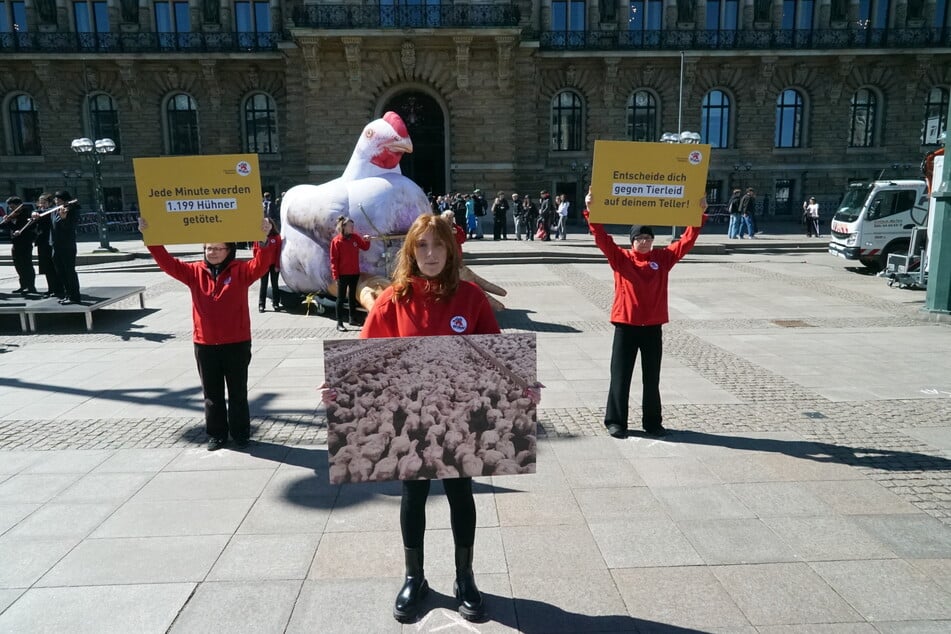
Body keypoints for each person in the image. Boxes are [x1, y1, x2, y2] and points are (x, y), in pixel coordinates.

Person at [359, 213, 499, 624]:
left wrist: (522, 384)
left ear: (451, 251)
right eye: (422, 246)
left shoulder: (471, 297)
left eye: (438, 246)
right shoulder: (394, 298)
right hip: (410, 418)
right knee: (414, 495)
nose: (431, 254)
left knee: (460, 494)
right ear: (411, 251)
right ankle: (414, 577)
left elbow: (495, 353)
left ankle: (464, 577)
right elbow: (366, 356)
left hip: (458, 416)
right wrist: (337, 387)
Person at [140, 216, 277, 451]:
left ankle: (241, 433)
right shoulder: (194, 272)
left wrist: (269, 236)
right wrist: (150, 237)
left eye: (217, 248)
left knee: (237, 392)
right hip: (205, 344)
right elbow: (167, 263)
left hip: (237, 342)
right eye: (208, 248)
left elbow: (262, 263)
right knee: (211, 394)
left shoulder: (242, 271)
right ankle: (217, 434)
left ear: (229, 250)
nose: (212, 252)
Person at [584, 190, 707, 439]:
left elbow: (686, 241)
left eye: (647, 237)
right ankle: (616, 422)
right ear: (632, 241)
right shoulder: (621, 258)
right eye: (639, 237)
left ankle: (653, 423)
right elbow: (601, 238)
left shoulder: (662, 258)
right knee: (620, 376)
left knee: (652, 379)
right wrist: (590, 211)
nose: (644, 241)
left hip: (652, 327)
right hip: (625, 326)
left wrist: (699, 215)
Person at [329, 215, 371, 331]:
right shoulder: (336, 241)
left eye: (353, 226)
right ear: (343, 227)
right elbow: (333, 260)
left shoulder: (355, 238)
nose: (352, 228)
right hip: (342, 274)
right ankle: (339, 323)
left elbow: (364, 247)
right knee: (341, 298)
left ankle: (352, 318)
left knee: (352, 296)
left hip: (354, 273)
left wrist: (367, 240)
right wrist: (335, 276)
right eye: (350, 226)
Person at [50, 191, 82, 305]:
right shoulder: (55, 211)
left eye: (59, 201)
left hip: (67, 245)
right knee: (61, 272)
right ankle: (68, 294)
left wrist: (64, 218)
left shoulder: (72, 210)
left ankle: (75, 296)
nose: (57, 202)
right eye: (56, 200)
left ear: (65, 201)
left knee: (69, 271)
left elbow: (69, 228)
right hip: (56, 245)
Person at [32, 193, 63, 299]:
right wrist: (34, 214)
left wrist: (38, 212)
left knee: (53, 267)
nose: (41, 205)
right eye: (40, 203)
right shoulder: (40, 212)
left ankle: (58, 289)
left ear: (50, 203)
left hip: (50, 242)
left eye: (44, 203)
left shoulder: (53, 211)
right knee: (46, 268)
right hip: (42, 242)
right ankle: (51, 289)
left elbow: (44, 213)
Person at [5, 196, 37, 294]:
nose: (11, 209)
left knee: (26, 264)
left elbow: (19, 228)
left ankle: (31, 286)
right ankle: (23, 285)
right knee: (18, 265)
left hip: (25, 242)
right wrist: (6, 221)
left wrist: (9, 222)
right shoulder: (14, 214)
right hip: (16, 243)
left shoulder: (25, 213)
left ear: (19, 205)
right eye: (10, 207)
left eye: (13, 207)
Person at [253, 217, 283, 312]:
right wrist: (257, 264)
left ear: (271, 226)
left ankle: (276, 303)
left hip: (274, 264)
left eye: (267, 225)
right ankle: (261, 305)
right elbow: (255, 251)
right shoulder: (259, 237)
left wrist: (278, 265)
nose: (265, 227)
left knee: (275, 284)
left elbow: (279, 252)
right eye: (264, 225)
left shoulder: (276, 237)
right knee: (263, 284)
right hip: (263, 265)